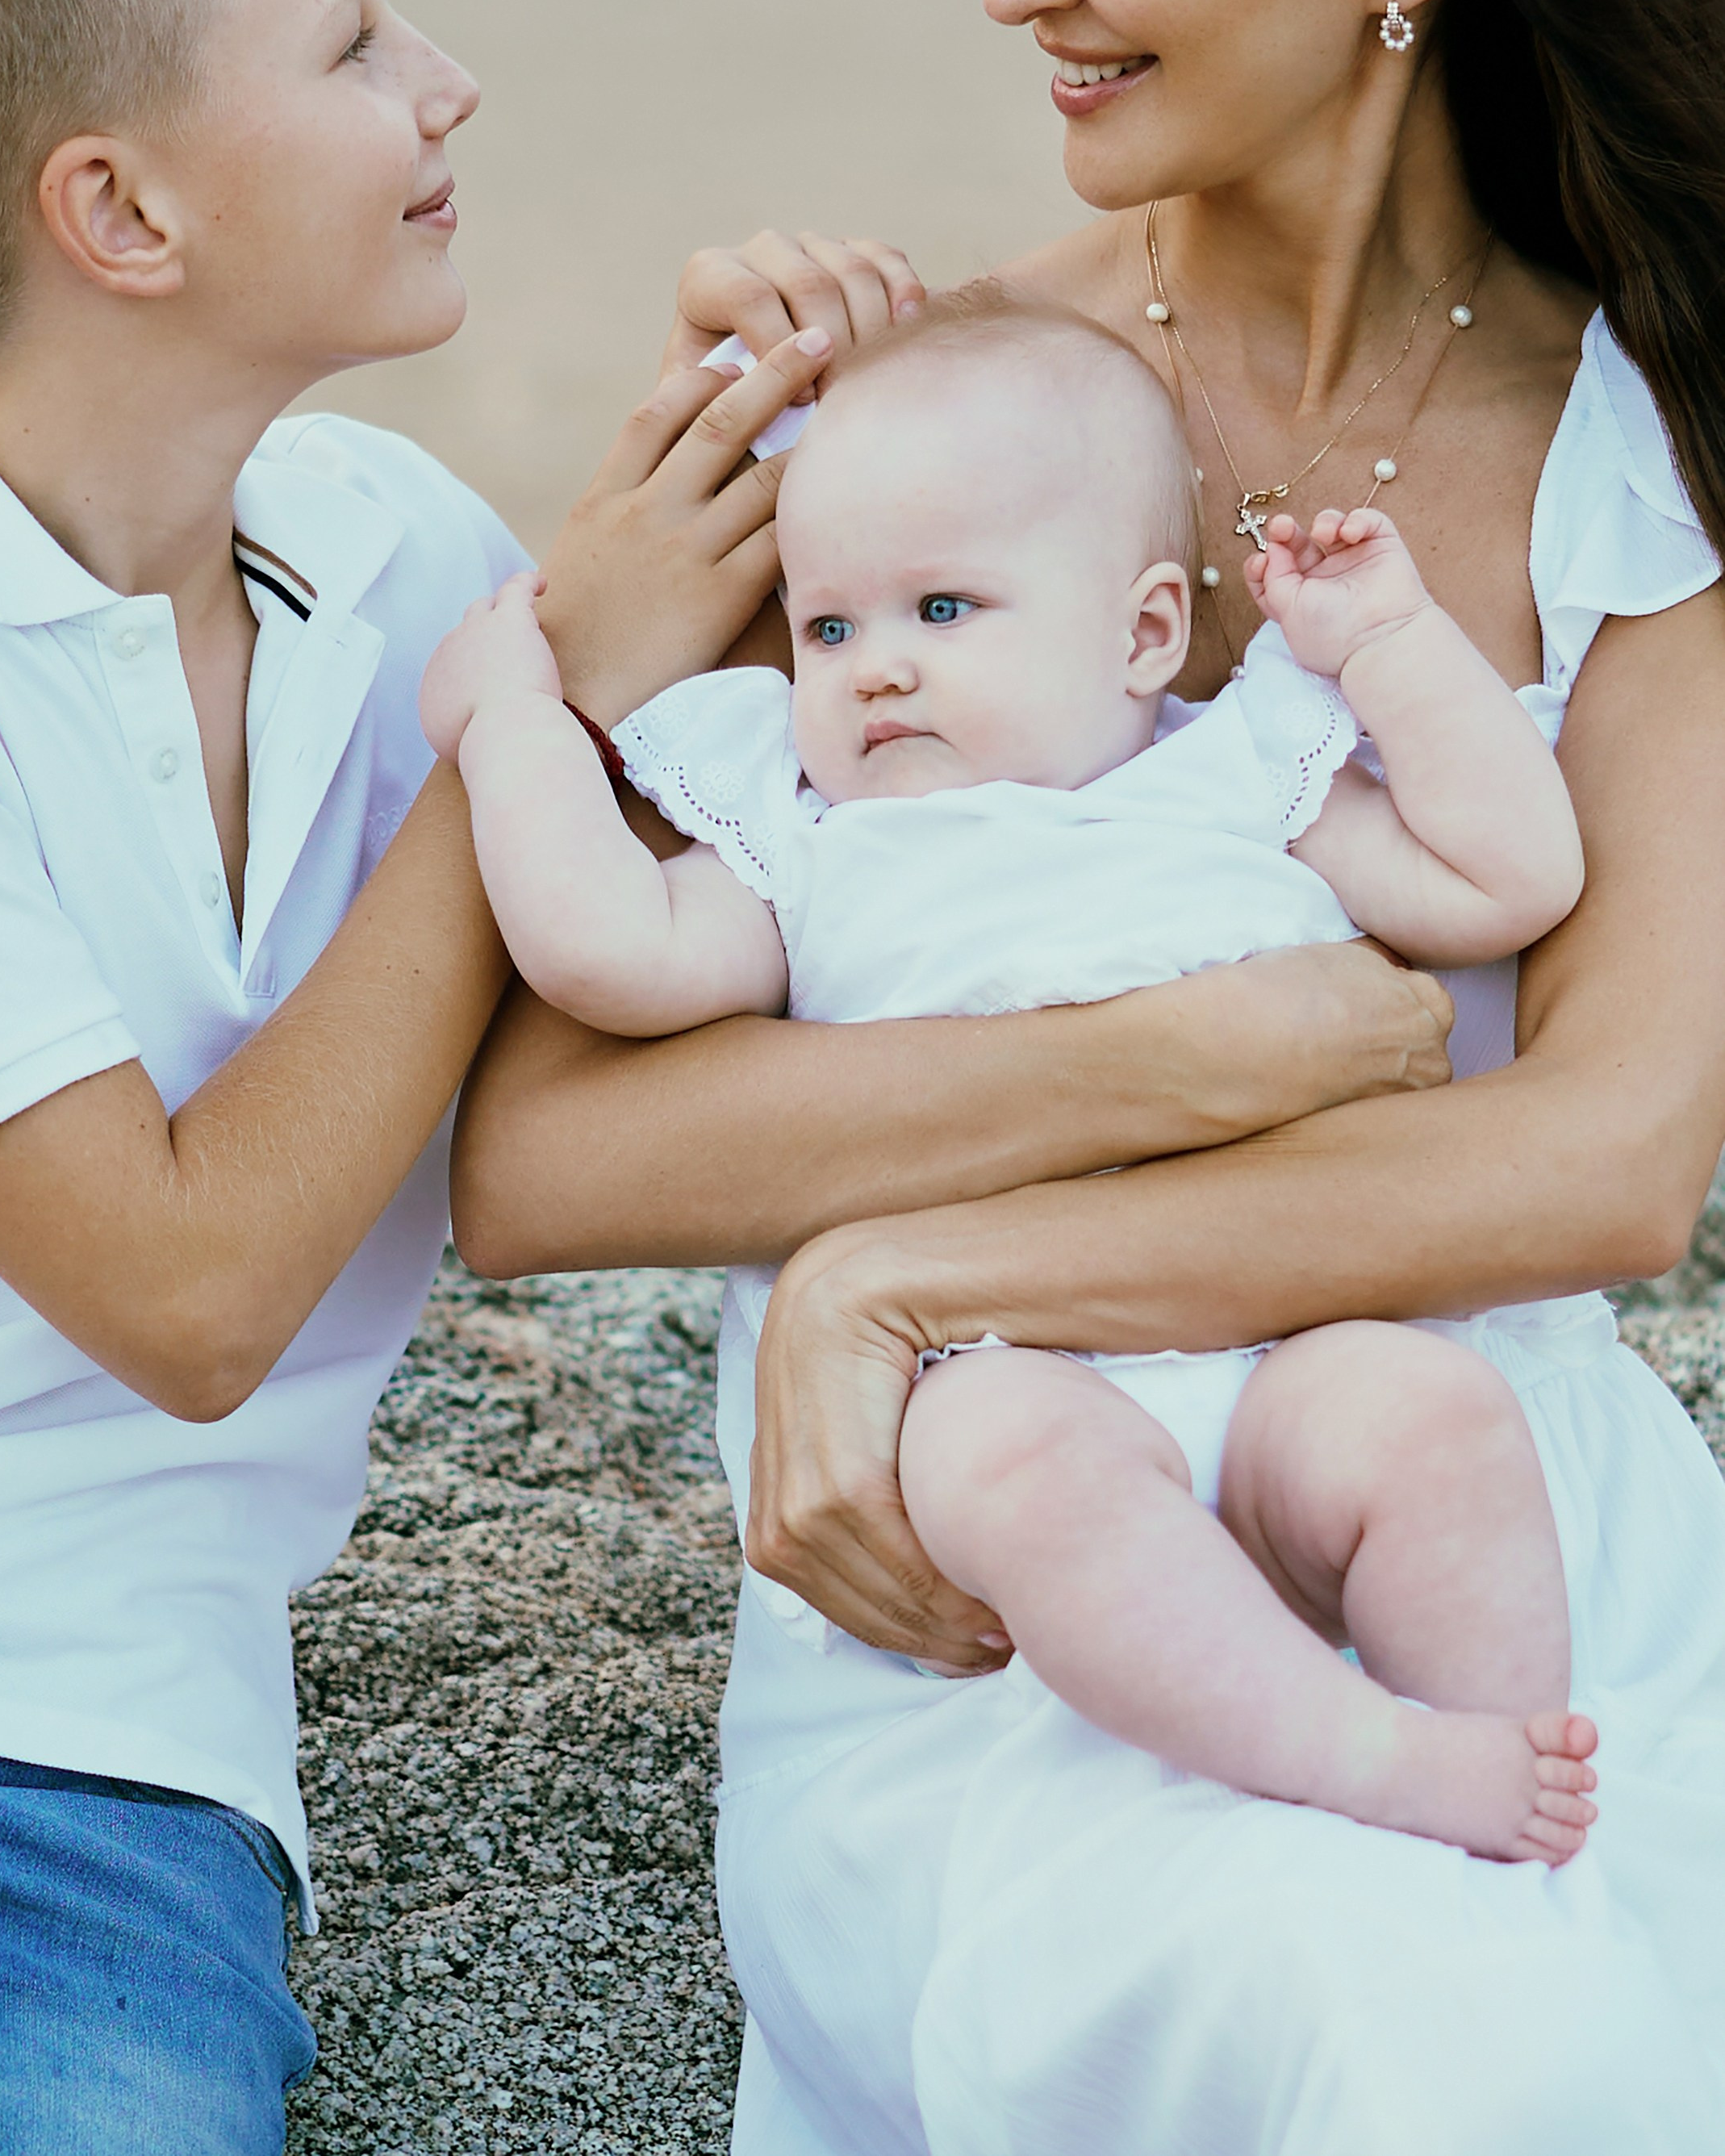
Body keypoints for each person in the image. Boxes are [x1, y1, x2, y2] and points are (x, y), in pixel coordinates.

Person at [449, 0, 1725, 2149]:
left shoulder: (1649, 448)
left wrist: (895, 1257)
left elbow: (1607, 1164)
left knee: (1510, 2025)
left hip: (1495, 1547)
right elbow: (547, 1140)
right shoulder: (896, 438)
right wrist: (1158, 1098)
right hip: (989, 1609)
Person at [0, 0, 844, 2151]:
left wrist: (806, 431)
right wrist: (529, 708)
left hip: (117, 1782)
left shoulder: (401, 555)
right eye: (347, 46)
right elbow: (186, 1292)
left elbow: (674, 933)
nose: (445, 80)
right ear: (117, 208)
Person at [428, 282, 1601, 1863]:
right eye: (829, 624)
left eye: (944, 610)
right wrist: (514, 729)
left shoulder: (1233, 771)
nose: (871, 670)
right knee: (1007, 1461)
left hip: (1291, 1325)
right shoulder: (812, 837)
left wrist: (1387, 644)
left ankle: (1489, 1770)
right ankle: (1354, 1753)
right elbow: (607, 953)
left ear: (1140, 633)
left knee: (1430, 1414)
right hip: (1005, 1374)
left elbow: (1502, 879)